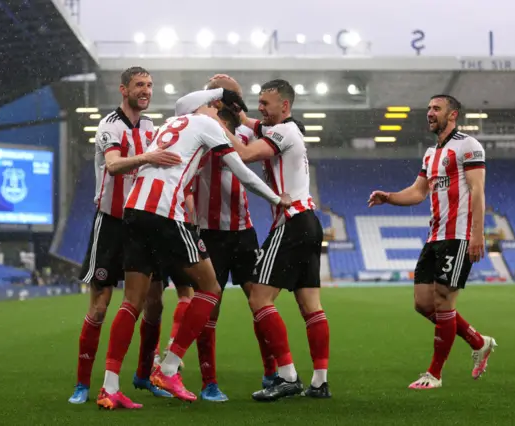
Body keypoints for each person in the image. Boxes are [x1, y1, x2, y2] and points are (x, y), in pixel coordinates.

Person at [96, 89, 292, 407]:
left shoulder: (170, 122)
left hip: (133, 209)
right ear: (208, 108)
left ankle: (110, 387)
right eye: (216, 108)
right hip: (164, 212)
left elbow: (185, 103)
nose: (218, 113)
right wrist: (276, 198)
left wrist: (222, 93)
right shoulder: (206, 123)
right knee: (210, 287)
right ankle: (169, 368)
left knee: (132, 301)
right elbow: (242, 171)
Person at [368, 94, 497, 390]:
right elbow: (417, 192)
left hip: (458, 235)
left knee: (443, 300)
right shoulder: (430, 153)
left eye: (436, 108)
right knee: (423, 304)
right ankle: (479, 342)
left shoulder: (468, 146)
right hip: (434, 236)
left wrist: (477, 234)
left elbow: (478, 191)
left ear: (453, 115)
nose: (429, 113)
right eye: (428, 108)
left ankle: (434, 374)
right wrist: (389, 197)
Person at [68, 66, 181, 405]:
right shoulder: (110, 125)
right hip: (112, 224)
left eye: (149, 85)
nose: (146, 90)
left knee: (155, 303)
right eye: (139, 85)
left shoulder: (150, 126)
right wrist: (149, 156)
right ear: (124, 90)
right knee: (100, 306)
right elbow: (114, 165)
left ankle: (144, 375)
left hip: (144, 224)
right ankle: (82, 384)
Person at [218, 78, 331, 401]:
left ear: (285, 106)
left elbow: (243, 153)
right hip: (309, 222)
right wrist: (240, 119)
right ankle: (320, 382)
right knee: (311, 307)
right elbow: (256, 125)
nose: (260, 109)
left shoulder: (284, 131)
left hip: (291, 223)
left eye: (266, 104)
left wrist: (213, 122)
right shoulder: (285, 129)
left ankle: (287, 376)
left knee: (258, 298)